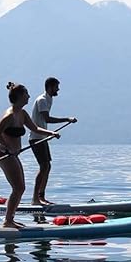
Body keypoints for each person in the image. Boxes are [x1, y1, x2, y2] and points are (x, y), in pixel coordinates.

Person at [0, 82, 60, 229]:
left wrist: (51, 133)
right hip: (4, 154)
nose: (29, 96)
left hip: (13, 155)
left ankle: (10, 219)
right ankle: (8, 221)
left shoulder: (22, 114)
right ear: (19, 97)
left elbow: (35, 128)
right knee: (18, 188)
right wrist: (9, 147)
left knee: (20, 188)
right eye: (26, 94)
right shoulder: (9, 115)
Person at [29, 77, 77, 205]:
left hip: (42, 138)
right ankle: (35, 199)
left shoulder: (48, 99)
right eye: (56, 87)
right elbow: (47, 119)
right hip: (36, 138)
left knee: (47, 166)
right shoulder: (42, 100)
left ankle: (41, 196)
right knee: (44, 166)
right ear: (50, 87)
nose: (58, 89)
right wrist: (67, 119)